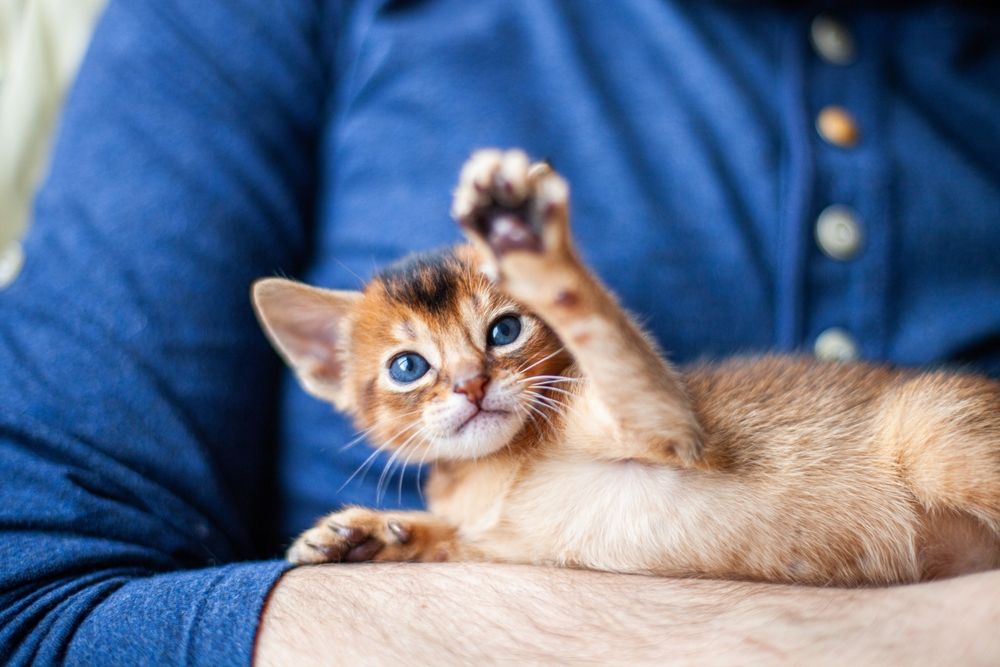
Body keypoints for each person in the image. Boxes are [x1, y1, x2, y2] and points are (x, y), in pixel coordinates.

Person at [1, 2, 997, 665]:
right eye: (413, 367)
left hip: (902, 457)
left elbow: (664, 430)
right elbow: (37, 600)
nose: (469, 379)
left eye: (506, 327)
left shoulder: (562, 404)